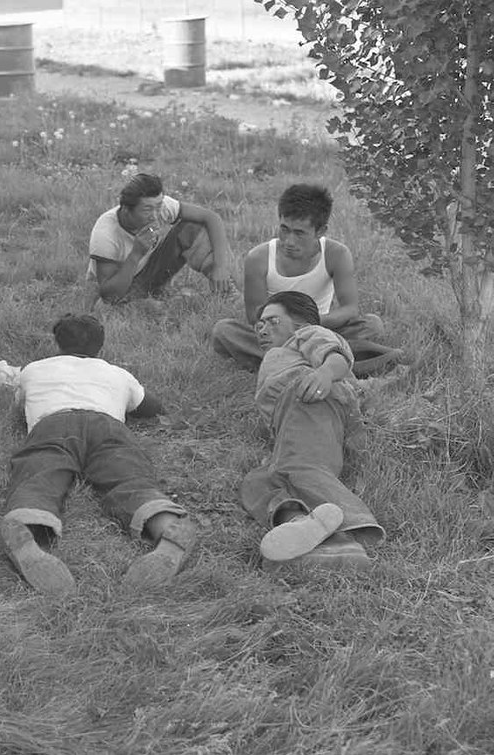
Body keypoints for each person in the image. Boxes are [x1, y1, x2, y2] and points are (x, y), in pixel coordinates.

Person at [0, 314, 198, 596]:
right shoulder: (117, 373)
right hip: (108, 426)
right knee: (130, 478)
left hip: (54, 423)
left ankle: (28, 527)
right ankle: (165, 524)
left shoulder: (33, 370)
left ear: (57, 343)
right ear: (100, 346)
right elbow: (152, 407)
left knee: (39, 474)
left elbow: (20, 404)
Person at [242, 291, 385, 570]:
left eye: (271, 321)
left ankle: (348, 526)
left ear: (298, 323)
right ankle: (303, 528)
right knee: (258, 481)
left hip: (311, 398)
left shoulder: (308, 334)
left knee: (301, 466)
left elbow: (336, 357)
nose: (262, 328)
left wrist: (323, 374)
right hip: (293, 422)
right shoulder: (278, 354)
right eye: (258, 324)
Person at [212, 183, 395, 373]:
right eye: (284, 229)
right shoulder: (258, 258)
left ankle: (288, 361)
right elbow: (255, 315)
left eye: (299, 233)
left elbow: (350, 309)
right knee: (224, 330)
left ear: (321, 231)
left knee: (372, 324)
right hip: (277, 331)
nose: (289, 241)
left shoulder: (336, 254)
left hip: (321, 327)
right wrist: (286, 327)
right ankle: (329, 357)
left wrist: (307, 327)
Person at [86, 172, 233, 307]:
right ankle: (152, 302)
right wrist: (136, 254)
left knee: (192, 227)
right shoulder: (105, 234)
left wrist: (220, 267)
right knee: (107, 308)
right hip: (121, 284)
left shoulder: (159, 206)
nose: (155, 215)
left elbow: (211, 218)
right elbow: (109, 295)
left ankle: (227, 292)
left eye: (158, 206)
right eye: (147, 210)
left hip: (151, 271)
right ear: (125, 209)